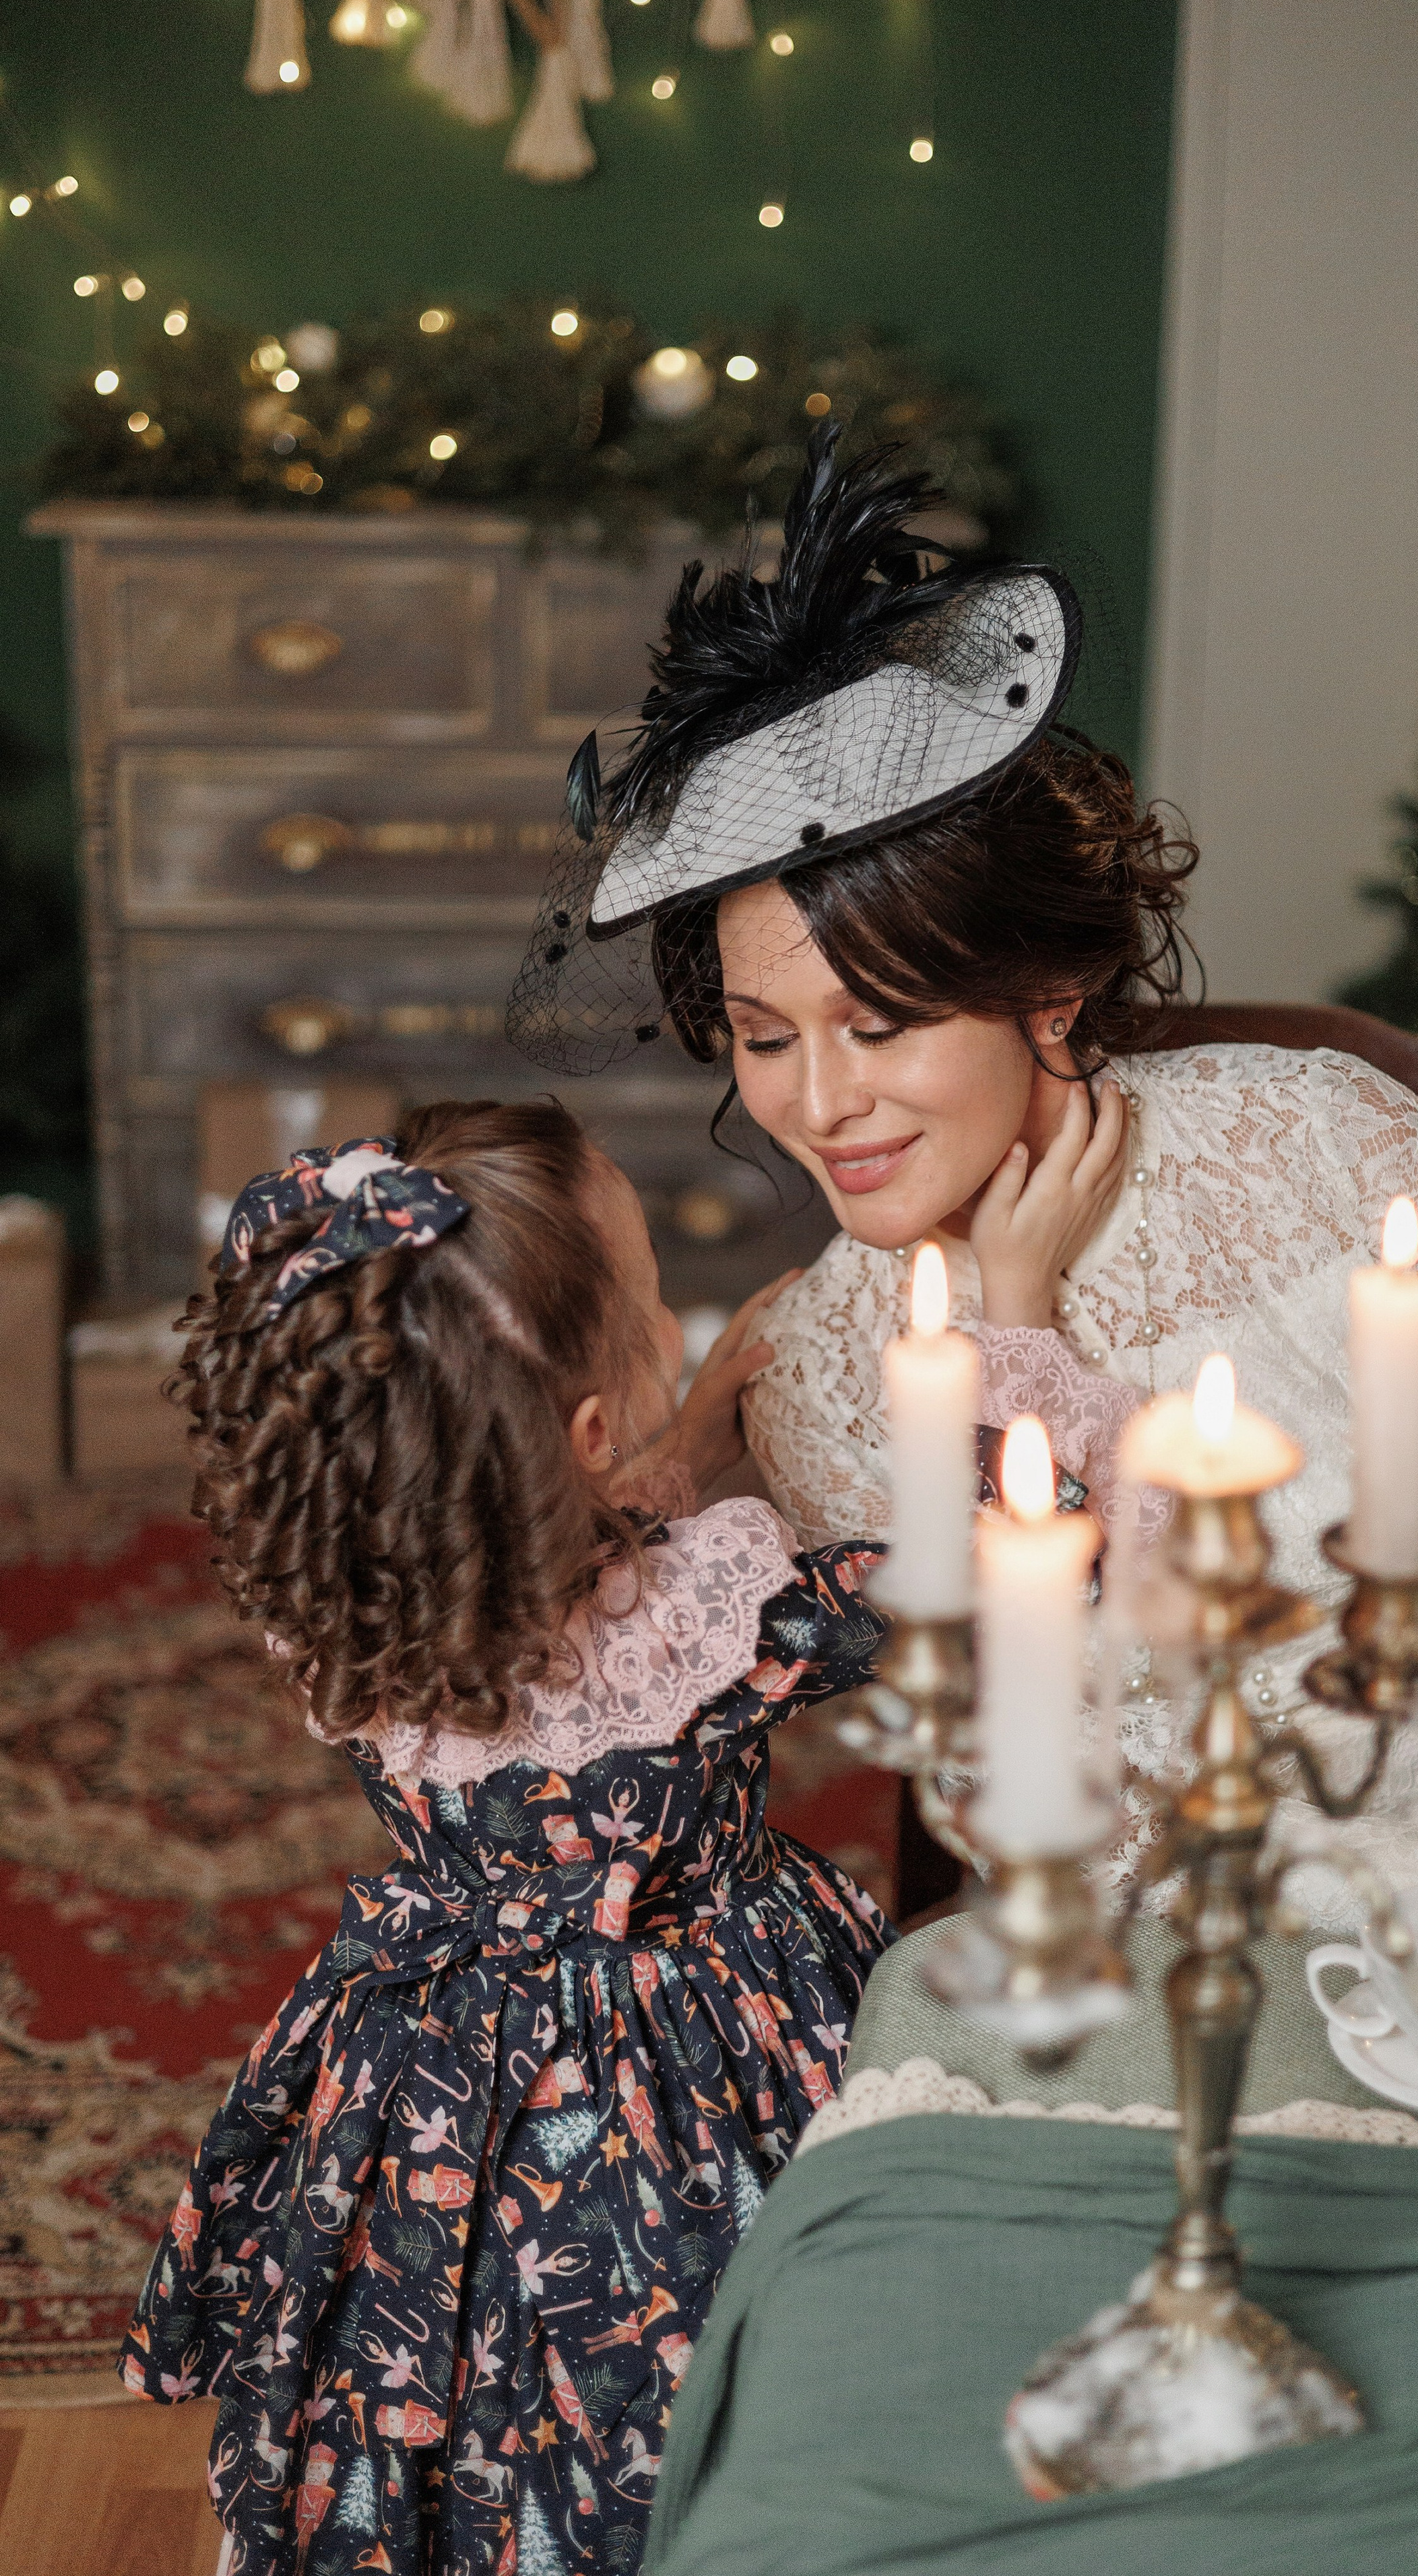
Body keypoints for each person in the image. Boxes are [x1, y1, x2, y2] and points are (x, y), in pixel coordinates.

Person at [511, 426, 1418, 2024]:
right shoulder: (819, 1368)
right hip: (1186, 2000)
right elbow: (1069, 1839)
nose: (817, 1107)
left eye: (877, 1025)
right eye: (763, 1034)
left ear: (1045, 994)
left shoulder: (1327, 1141)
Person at [118, 1100, 897, 2576]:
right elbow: (942, 1557)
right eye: (655, 1292)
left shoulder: (348, 1597)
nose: (673, 1311)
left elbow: (568, 1575)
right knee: (706, 2354)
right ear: (592, 1438)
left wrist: (679, 1444)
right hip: (696, 2037)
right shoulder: (710, 1618)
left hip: (430, 2053)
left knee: (439, 2330)